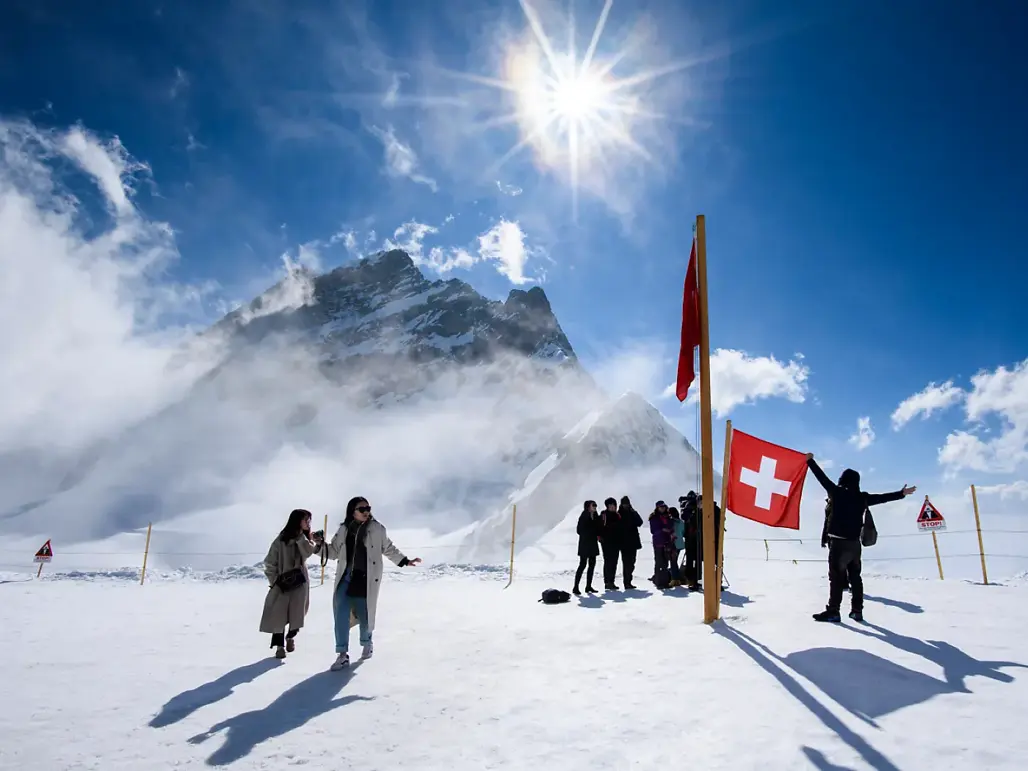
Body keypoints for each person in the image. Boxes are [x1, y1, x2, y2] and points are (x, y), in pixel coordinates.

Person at [806, 454, 916, 623]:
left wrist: (809, 461)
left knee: (836, 578)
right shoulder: (862, 497)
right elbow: (882, 498)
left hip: (838, 544)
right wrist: (901, 494)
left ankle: (833, 611)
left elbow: (822, 478)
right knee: (855, 577)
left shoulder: (836, 493)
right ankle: (857, 611)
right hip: (855, 545)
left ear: (842, 480)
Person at [319, 497, 421, 670]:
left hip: (365, 579)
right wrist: (318, 545)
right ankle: (342, 654)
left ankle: (367, 643)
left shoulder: (376, 528)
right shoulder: (344, 529)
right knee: (341, 615)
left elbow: (388, 548)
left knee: (364, 615)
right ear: (352, 511)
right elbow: (333, 551)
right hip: (345, 578)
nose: (366, 511)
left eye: (368, 508)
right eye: (362, 509)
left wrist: (405, 561)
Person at [260, 508, 320, 659]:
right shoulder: (281, 540)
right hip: (282, 583)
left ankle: (290, 637)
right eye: (305, 520)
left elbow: (308, 552)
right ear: (297, 521)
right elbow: (269, 562)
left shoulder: (303, 539)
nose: (308, 523)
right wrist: (275, 580)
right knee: (279, 615)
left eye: (309, 520)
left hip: (300, 582)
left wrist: (305, 538)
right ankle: (279, 647)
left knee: (298, 613)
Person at [574, 500, 601, 595]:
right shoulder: (583, 516)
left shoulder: (596, 516)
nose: (595, 507)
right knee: (582, 565)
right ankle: (576, 587)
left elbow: (598, 527)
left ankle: (588, 586)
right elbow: (579, 530)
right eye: (593, 505)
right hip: (585, 544)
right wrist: (590, 531)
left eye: (595, 505)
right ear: (588, 507)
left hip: (592, 543)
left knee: (592, 565)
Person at [617, 495, 644, 590]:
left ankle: (629, 581)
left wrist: (634, 513)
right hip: (623, 542)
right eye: (624, 504)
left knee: (632, 562)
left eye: (627, 504)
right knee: (626, 563)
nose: (626, 505)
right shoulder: (619, 514)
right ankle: (627, 582)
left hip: (633, 542)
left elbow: (640, 522)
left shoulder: (632, 512)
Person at [599, 498, 623, 591]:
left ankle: (611, 581)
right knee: (608, 561)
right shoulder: (604, 515)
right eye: (611, 505)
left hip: (616, 542)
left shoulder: (617, 515)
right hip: (606, 542)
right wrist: (601, 538)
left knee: (614, 562)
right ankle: (607, 582)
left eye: (614, 505)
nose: (613, 507)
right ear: (607, 506)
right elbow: (600, 527)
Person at [648, 501, 674, 585]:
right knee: (659, 562)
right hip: (658, 542)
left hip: (667, 541)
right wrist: (662, 529)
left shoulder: (668, 516)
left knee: (665, 562)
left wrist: (670, 531)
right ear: (657, 508)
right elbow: (653, 530)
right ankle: (658, 581)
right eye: (661, 507)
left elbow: (671, 527)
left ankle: (665, 581)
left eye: (663, 507)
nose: (662, 508)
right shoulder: (654, 517)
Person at [670, 507, 685, 585]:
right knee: (674, 561)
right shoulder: (681, 522)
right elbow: (683, 532)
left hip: (673, 544)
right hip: (680, 544)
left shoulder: (672, 522)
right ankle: (676, 577)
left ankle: (675, 578)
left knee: (673, 562)